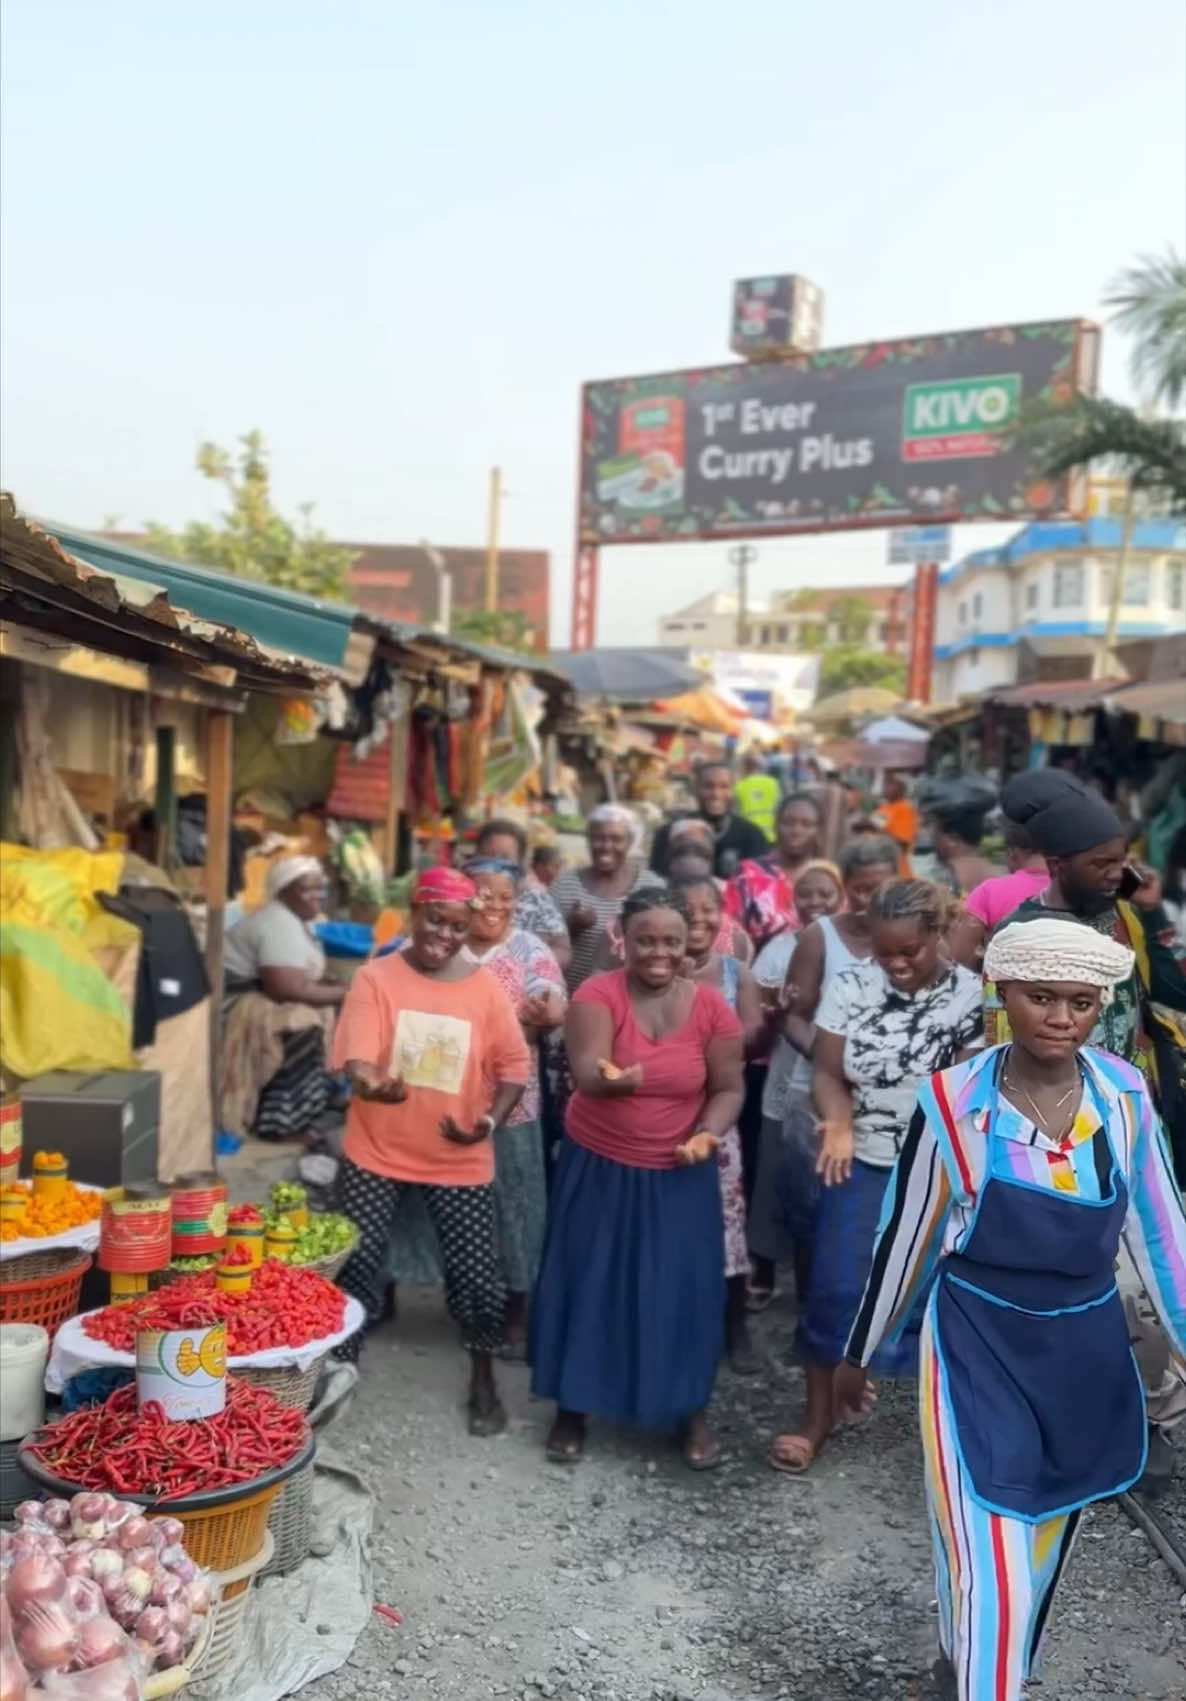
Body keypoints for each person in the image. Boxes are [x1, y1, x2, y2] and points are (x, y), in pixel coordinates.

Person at [834, 919, 1186, 1701]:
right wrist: (856, 1352)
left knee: (1040, 1548)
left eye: (1082, 1002)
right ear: (1004, 995)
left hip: (1083, 1356)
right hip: (975, 1347)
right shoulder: (954, 1103)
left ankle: (967, 1667)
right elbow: (906, 1237)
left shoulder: (1124, 1098)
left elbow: (1165, 1239)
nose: (1061, 1017)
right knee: (991, 1566)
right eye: (1042, 997)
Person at [769, 878, 983, 1476]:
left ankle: (945, 1433)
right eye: (884, 952)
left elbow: (967, 1090)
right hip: (860, 1157)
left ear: (938, 936)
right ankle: (818, 1415)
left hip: (937, 1165)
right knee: (836, 1286)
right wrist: (836, 1121)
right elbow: (829, 1071)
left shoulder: (971, 996)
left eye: (909, 951)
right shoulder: (852, 984)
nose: (895, 964)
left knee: (938, 1298)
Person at [530, 887, 744, 1468]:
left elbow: (728, 1088)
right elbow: (588, 1073)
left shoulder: (711, 1009)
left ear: (688, 945)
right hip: (598, 1164)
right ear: (624, 939)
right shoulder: (597, 993)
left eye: (671, 941)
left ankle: (687, 1411)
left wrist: (707, 1133)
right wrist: (617, 1078)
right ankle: (572, 1408)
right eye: (645, 939)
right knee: (589, 1283)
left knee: (683, 1293)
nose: (658, 952)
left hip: (681, 1170)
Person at [330, 867, 530, 1435]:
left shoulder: (485, 989)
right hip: (375, 1148)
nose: (444, 934)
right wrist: (372, 1083)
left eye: (458, 926)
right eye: (434, 920)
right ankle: (340, 1374)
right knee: (359, 1263)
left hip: (458, 1155)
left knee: (474, 1276)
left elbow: (514, 1068)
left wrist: (488, 1122)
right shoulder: (376, 978)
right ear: (414, 913)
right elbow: (359, 1060)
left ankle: (483, 1378)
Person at [746, 835, 902, 1311]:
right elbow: (795, 1013)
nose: (868, 902)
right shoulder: (819, 938)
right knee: (814, 1200)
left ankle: (870, 1310)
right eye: (858, 891)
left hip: (888, 1093)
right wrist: (828, 1055)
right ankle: (814, 1314)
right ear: (844, 890)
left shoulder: (909, 931)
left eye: (879, 889)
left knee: (874, 1203)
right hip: (817, 1087)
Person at [455, 858, 567, 1354]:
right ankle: (464, 1305)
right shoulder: (446, 943)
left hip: (512, 1101)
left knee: (517, 1203)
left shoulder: (528, 948)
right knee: (456, 1202)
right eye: (484, 895)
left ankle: (518, 1312)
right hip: (446, 1096)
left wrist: (533, 1019)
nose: (496, 906)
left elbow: (551, 1006)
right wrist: (509, 1026)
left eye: (506, 897)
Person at [671, 871, 765, 1372]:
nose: (700, 920)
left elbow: (749, 1032)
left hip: (718, 1114)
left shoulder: (735, 973)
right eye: (688, 911)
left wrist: (701, 1045)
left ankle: (735, 1323)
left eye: (709, 910)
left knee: (727, 1221)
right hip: (660, 1116)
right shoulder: (655, 968)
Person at [747, 860, 844, 1311]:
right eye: (806, 894)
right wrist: (773, 1013)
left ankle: (817, 1277)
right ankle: (765, 1267)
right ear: (792, 898)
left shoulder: (852, 945)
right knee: (773, 1175)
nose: (815, 902)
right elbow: (768, 1016)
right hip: (787, 1080)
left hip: (838, 1085)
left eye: (825, 893)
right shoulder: (779, 948)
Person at [220, 856, 345, 1141]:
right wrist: (344, 992)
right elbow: (285, 988)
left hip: (262, 991)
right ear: (283, 891)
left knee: (329, 1011)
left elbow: (299, 975)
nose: (319, 895)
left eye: (320, 887)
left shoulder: (300, 920)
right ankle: (281, 1124)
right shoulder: (278, 921)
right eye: (308, 889)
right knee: (301, 1026)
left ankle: (320, 1097)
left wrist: (331, 987)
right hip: (235, 1001)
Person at [551, 804, 662, 991]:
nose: (606, 846)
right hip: (570, 998)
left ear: (630, 843)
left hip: (631, 998)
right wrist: (571, 926)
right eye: (598, 838)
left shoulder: (651, 887)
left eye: (616, 839)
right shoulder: (565, 885)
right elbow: (542, 946)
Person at [725, 792, 826, 953]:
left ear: (818, 831)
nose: (796, 831)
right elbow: (729, 931)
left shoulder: (827, 876)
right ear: (776, 826)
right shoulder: (748, 874)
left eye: (806, 824)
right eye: (788, 823)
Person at [474, 819, 571, 976]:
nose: (496, 864)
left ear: (520, 862)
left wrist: (530, 965)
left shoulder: (538, 899)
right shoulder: (462, 894)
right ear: (476, 855)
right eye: (488, 855)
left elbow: (563, 950)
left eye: (505, 858)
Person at [948, 820, 1049, 970]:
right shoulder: (1072, 888)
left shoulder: (989, 891)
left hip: (1003, 988)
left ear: (1012, 853)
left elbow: (957, 957)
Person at [650, 763, 769, 880]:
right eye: (708, 786)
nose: (716, 794)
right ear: (695, 789)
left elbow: (759, 885)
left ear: (733, 790)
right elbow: (655, 883)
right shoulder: (669, 833)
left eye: (724, 787)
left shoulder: (752, 835)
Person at [871, 772, 917, 877]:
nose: (886, 788)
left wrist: (878, 832)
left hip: (898, 869)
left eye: (891, 784)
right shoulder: (883, 807)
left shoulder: (904, 808)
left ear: (901, 788)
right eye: (885, 784)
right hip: (877, 865)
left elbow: (903, 842)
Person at [733, 748, 780, 844]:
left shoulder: (739, 786)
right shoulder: (772, 783)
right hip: (771, 836)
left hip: (747, 837)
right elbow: (779, 808)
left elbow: (735, 813)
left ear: (743, 766)